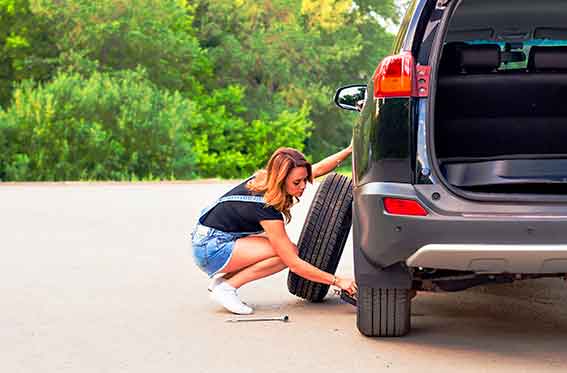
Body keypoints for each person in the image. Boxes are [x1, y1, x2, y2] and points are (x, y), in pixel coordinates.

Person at [190, 145, 357, 314]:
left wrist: (349, 150)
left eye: (304, 180)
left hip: (208, 238)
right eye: (297, 183)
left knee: (281, 248)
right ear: (281, 179)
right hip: (210, 249)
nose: (303, 186)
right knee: (286, 253)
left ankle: (221, 282)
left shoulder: (265, 179)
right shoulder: (266, 207)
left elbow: (319, 168)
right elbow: (293, 263)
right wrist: (338, 281)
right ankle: (227, 288)